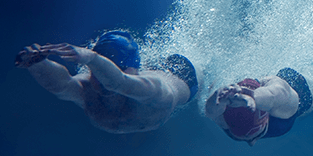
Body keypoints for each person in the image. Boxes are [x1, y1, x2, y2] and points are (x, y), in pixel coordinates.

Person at [14, 31, 198, 134]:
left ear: (133, 71)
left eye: (118, 68)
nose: (100, 81)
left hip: (184, 75)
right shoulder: (87, 86)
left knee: (201, 61)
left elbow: (118, 82)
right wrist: (37, 63)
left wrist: (92, 59)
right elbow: (61, 86)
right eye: (95, 73)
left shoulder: (154, 89)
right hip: (127, 68)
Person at [204, 68, 313, 146]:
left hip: (279, 89)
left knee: (216, 88)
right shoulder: (284, 109)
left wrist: (219, 95)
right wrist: (253, 96)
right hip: (299, 88)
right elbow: (276, 93)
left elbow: (210, 111)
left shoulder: (223, 119)